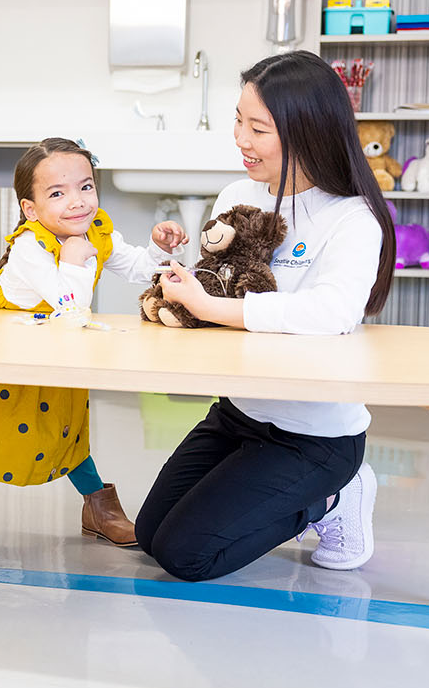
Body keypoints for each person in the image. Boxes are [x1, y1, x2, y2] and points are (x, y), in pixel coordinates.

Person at [134, 51, 396, 581]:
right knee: (149, 534)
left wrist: (217, 307)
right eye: (238, 119)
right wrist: (177, 269)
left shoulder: (350, 215)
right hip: (241, 413)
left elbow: (335, 312)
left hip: (314, 435)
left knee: (185, 556)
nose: (240, 138)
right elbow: (222, 281)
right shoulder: (238, 194)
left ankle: (330, 499)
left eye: (258, 127)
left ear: (309, 130)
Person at [0, 137, 188, 552]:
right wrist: (74, 259)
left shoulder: (95, 229)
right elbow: (72, 305)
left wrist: (159, 247)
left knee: (65, 431)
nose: (78, 202)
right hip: (9, 357)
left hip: (56, 352)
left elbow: (138, 268)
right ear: (30, 208)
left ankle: (99, 510)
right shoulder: (31, 247)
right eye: (57, 193)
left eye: (85, 187)